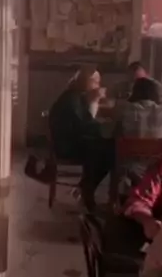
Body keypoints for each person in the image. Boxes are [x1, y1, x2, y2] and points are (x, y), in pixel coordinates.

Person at [48, 65, 113, 211]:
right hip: (66, 146)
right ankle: (86, 191)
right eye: (96, 81)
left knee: (107, 148)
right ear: (86, 81)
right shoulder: (72, 98)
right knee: (107, 152)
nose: (98, 85)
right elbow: (82, 125)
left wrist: (93, 102)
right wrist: (104, 126)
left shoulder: (76, 96)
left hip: (73, 140)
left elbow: (86, 121)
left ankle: (85, 188)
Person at [112, 78, 162, 195]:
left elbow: (115, 134)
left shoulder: (124, 109)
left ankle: (112, 196)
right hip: (160, 166)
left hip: (130, 167)